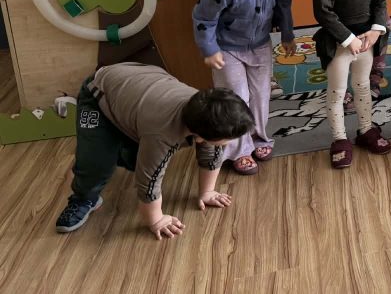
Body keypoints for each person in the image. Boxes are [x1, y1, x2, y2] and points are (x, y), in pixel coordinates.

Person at [55, 63, 255, 238]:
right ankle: (83, 199)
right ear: (200, 136)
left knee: (135, 157)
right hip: (99, 92)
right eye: (227, 140)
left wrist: (207, 192)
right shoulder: (162, 133)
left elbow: (211, 153)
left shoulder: (207, 110)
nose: (231, 142)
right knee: (97, 162)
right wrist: (156, 220)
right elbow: (149, 180)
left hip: (139, 87)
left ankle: (117, 147)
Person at [193, 0, 294, 175]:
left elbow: (284, 5)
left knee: (260, 96)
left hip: (260, 45)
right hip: (227, 49)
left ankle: (259, 138)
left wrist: (287, 35)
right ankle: (239, 149)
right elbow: (203, 17)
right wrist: (209, 49)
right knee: (237, 97)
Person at [311, 0, 391, 169]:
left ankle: (366, 129)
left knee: (363, 86)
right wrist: (348, 39)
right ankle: (339, 138)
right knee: (337, 92)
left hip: (366, 40)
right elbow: (323, 12)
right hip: (339, 44)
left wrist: (376, 29)